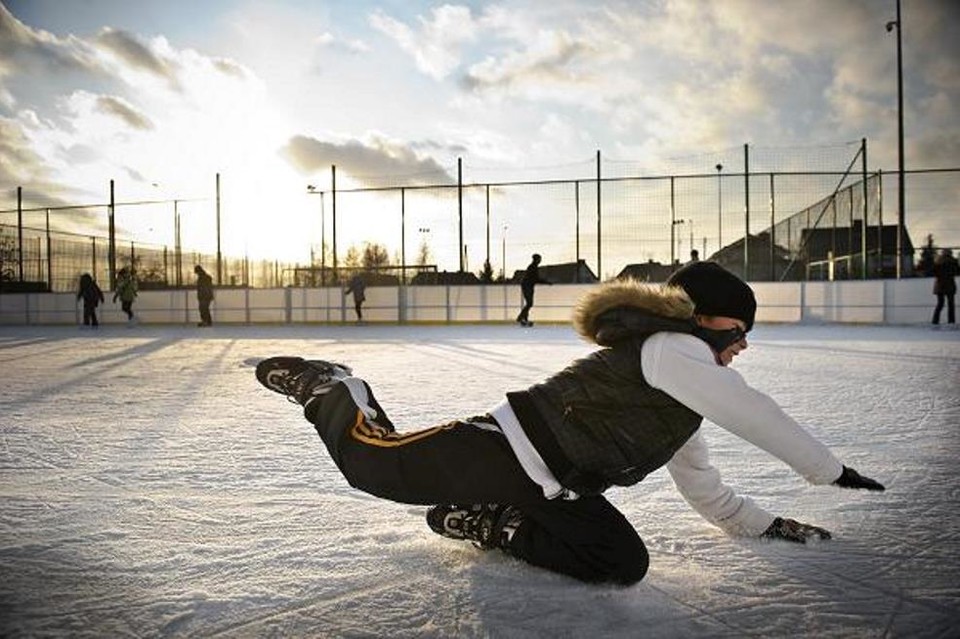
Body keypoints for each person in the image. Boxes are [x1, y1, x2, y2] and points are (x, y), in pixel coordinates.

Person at [254, 261, 885, 586]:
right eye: (738, 330)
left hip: (555, 489)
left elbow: (705, 487)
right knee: (372, 464)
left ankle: (488, 521)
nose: (744, 343)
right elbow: (756, 411)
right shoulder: (671, 350)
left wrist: (769, 524)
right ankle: (332, 386)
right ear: (701, 319)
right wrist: (829, 471)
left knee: (620, 562)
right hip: (500, 450)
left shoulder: (687, 396)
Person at [516, 253, 552, 327]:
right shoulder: (532, 267)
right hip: (527, 286)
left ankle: (524, 319)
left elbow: (535, 279)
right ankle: (520, 317)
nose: (540, 260)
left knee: (529, 303)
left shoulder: (533, 267)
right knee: (529, 303)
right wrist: (546, 282)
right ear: (536, 259)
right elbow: (536, 279)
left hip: (529, 285)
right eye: (539, 259)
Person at [931, 248, 958, 328]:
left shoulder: (938, 261)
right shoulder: (953, 261)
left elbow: (934, 272)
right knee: (951, 304)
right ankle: (951, 321)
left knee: (940, 304)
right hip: (949, 285)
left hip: (940, 285)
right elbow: (956, 271)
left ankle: (935, 321)